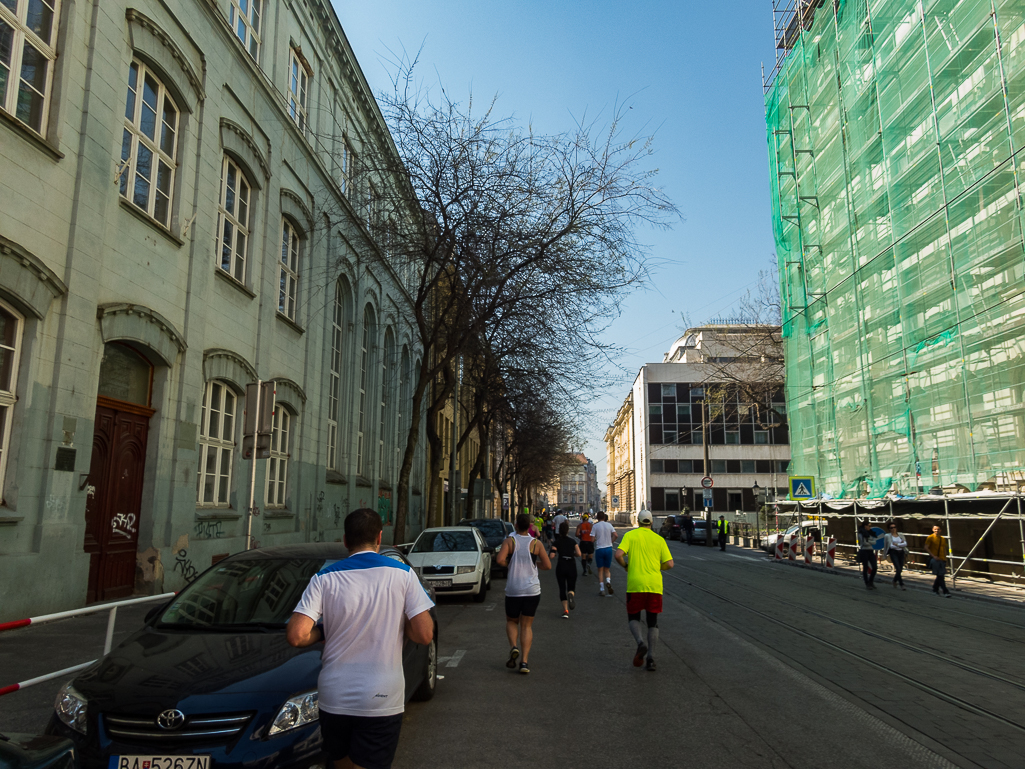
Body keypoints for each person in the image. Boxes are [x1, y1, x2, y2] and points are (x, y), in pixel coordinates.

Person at [287, 508, 434, 769]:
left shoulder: (324, 578)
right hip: (381, 696)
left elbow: (297, 635)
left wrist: (322, 631)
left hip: (335, 696)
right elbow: (424, 634)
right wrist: (401, 626)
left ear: (345, 540)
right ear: (379, 537)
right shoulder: (403, 574)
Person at [615, 510, 674, 672]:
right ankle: (651, 659)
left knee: (633, 617)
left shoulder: (630, 536)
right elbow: (670, 564)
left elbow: (618, 554)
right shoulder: (659, 539)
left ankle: (640, 643)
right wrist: (658, 567)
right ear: (651, 523)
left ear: (638, 522)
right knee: (652, 621)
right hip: (654, 585)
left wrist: (626, 566)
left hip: (635, 584)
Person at [495, 512, 552, 673]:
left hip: (514, 589)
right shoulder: (536, 543)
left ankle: (514, 647)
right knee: (527, 625)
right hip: (531, 590)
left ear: (516, 526)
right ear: (530, 527)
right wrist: (535, 565)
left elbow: (499, 560)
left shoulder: (510, 541)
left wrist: (510, 564)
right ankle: (524, 662)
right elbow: (547, 566)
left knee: (512, 621)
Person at [549, 521, 581, 618]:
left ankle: (566, 611)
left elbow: (552, 556)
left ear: (559, 531)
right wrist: (572, 554)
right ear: (567, 531)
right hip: (571, 564)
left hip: (561, 564)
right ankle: (571, 594)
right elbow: (579, 554)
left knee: (562, 587)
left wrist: (555, 551)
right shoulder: (573, 541)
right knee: (571, 586)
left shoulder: (557, 542)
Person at [592, 512, 618, 596]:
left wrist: (596, 539)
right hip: (608, 549)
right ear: (604, 517)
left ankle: (602, 589)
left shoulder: (595, 526)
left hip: (599, 549)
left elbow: (592, 539)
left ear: (597, 518)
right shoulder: (609, 525)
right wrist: (611, 541)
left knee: (600, 570)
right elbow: (616, 535)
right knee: (607, 569)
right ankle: (608, 582)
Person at [925, 524, 951, 597]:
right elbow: (926, 547)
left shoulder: (942, 538)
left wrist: (945, 559)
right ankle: (945, 591)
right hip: (935, 559)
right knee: (940, 575)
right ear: (933, 529)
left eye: (938, 529)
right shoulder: (930, 537)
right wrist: (933, 556)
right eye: (935, 529)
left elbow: (944, 549)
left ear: (941, 530)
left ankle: (935, 588)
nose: (937, 530)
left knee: (941, 575)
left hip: (942, 559)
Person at [884, 522, 908, 590]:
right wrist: (900, 544)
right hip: (893, 552)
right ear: (889, 529)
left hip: (901, 552)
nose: (893, 529)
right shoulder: (888, 536)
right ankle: (901, 584)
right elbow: (890, 546)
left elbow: (905, 543)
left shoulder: (900, 535)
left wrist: (897, 545)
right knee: (898, 568)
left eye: (894, 527)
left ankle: (894, 580)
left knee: (900, 569)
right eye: (891, 528)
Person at [857, 519, 878, 590]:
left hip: (871, 551)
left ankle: (871, 581)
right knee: (865, 567)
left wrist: (869, 541)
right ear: (865, 526)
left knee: (874, 567)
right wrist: (871, 541)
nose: (870, 527)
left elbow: (875, 542)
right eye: (869, 526)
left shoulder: (871, 532)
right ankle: (867, 583)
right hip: (864, 551)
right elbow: (864, 543)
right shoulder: (861, 533)